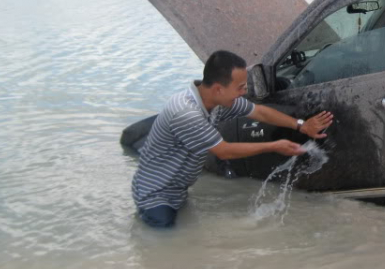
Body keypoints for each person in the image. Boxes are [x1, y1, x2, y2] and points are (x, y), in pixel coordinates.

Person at [132, 50, 334, 228]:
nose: (244, 92)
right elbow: (224, 151)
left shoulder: (217, 102)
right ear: (219, 89)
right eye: (240, 87)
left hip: (178, 190)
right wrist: (274, 146)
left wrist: (301, 125)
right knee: (164, 243)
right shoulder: (186, 112)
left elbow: (260, 112)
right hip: (155, 194)